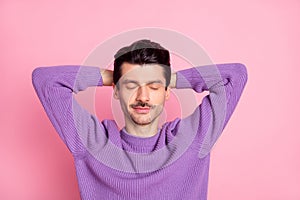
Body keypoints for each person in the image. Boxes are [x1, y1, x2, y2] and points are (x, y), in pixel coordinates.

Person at [31, 39, 248, 200]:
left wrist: (169, 78)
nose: (143, 97)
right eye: (131, 86)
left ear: (166, 91)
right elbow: (46, 80)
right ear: (116, 91)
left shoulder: (191, 139)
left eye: (153, 87)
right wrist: (112, 76)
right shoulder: (93, 142)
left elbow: (235, 76)